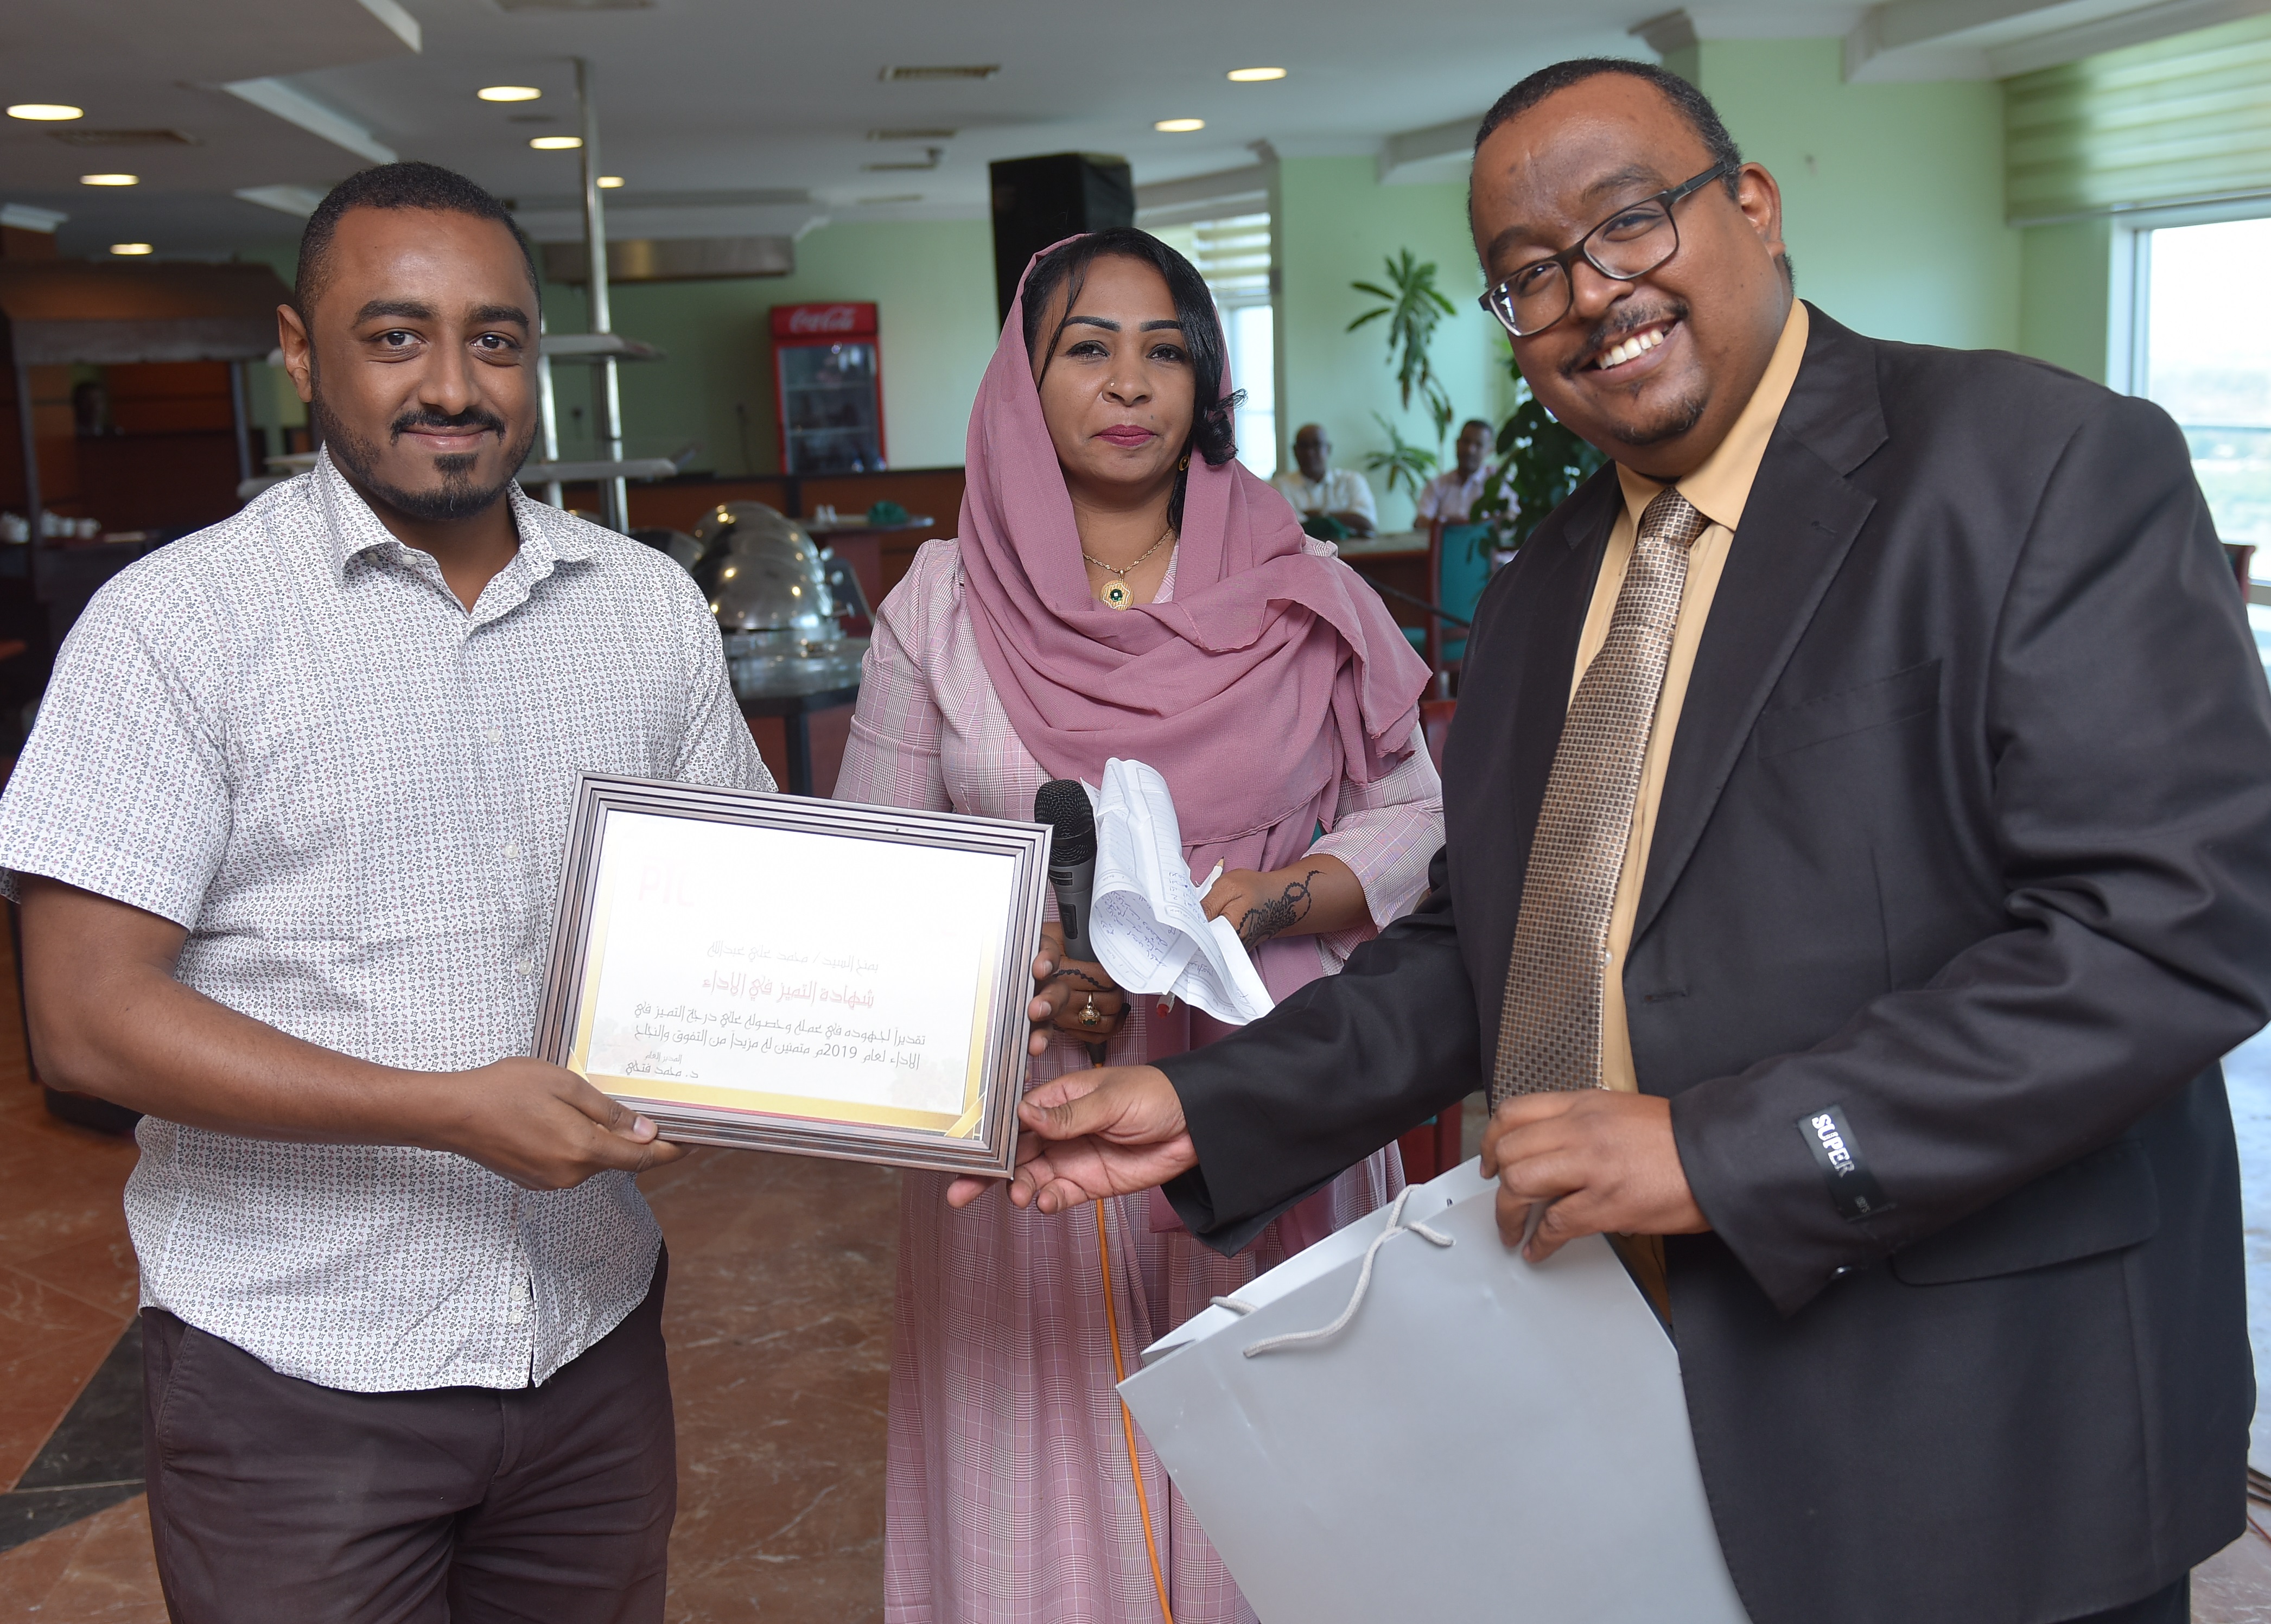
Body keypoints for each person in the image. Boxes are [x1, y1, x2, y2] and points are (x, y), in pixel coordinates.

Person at [974, 59, 2271, 1624]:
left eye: (1628, 221)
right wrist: (1205, 1102)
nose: (1589, 292)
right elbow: (1487, 944)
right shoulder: (1542, 587)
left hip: (1973, 1421)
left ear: (1752, 207)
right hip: (1620, 1399)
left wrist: (1721, 1152)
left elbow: (2171, 930)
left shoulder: (2034, 465)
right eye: (1528, 272)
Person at [0, 162, 773, 1620]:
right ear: (300, 351)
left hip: (590, 1342)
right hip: (298, 1376)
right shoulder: (172, 628)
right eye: (396, 335)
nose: (453, 385)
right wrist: (444, 1109)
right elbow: (85, 1020)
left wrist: (975, 1002)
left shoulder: (646, 608)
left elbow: (750, 904)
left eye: (495, 338)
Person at [835, 227, 1440, 1624]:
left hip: (1269, 1081)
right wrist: (1023, 968)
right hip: (1036, 1116)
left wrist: (1266, 898)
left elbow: (1415, 812)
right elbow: (879, 872)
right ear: (1020, 377)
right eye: (1087, 349)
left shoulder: (1301, 587)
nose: (1129, 383)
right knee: (1046, 1484)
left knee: (1286, 1495)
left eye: (1165, 350)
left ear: (1204, 381)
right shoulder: (939, 605)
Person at [1270, 422, 1377, 536]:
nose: (1309, 453)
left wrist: (1321, 515)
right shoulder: (1278, 487)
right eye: (1304, 446)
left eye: (1316, 445)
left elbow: (1368, 524)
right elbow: (1286, 531)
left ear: (1328, 449)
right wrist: (1342, 518)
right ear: (1295, 451)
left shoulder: (1352, 481)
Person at [1413, 417, 1497, 524]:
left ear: (1490, 451)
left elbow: (1509, 519)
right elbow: (1421, 522)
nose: (1470, 450)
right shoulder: (1437, 485)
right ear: (1457, 443)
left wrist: (1445, 524)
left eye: (1479, 445)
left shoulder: (1500, 484)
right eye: (1466, 442)